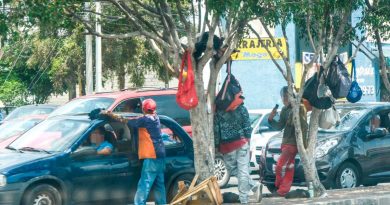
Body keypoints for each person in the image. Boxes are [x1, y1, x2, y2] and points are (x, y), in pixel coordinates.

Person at [102, 99, 166, 205]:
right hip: (161, 155)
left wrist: (110, 114)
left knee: (144, 184)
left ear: (143, 108)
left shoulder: (144, 120)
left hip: (151, 156)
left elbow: (126, 120)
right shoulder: (156, 118)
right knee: (159, 184)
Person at [214, 99, 262, 204]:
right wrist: (248, 143)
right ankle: (252, 187)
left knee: (234, 170)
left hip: (227, 145)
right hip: (242, 143)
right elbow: (247, 127)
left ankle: (245, 197)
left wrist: (216, 146)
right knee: (243, 171)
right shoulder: (242, 108)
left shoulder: (219, 110)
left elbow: (217, 129)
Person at [268, 86, 308, 197]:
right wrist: (271, 119)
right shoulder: (285, 110)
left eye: (285, 96)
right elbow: (279, 126)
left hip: (292, 143)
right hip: (285, 142)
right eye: (282, 97)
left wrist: (304, 145)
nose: (283, 99)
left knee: (280, 166)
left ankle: (279, 187)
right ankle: (283, 191)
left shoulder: (299, 107)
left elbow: (303, 127)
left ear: (291, 96)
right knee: (289, 167)